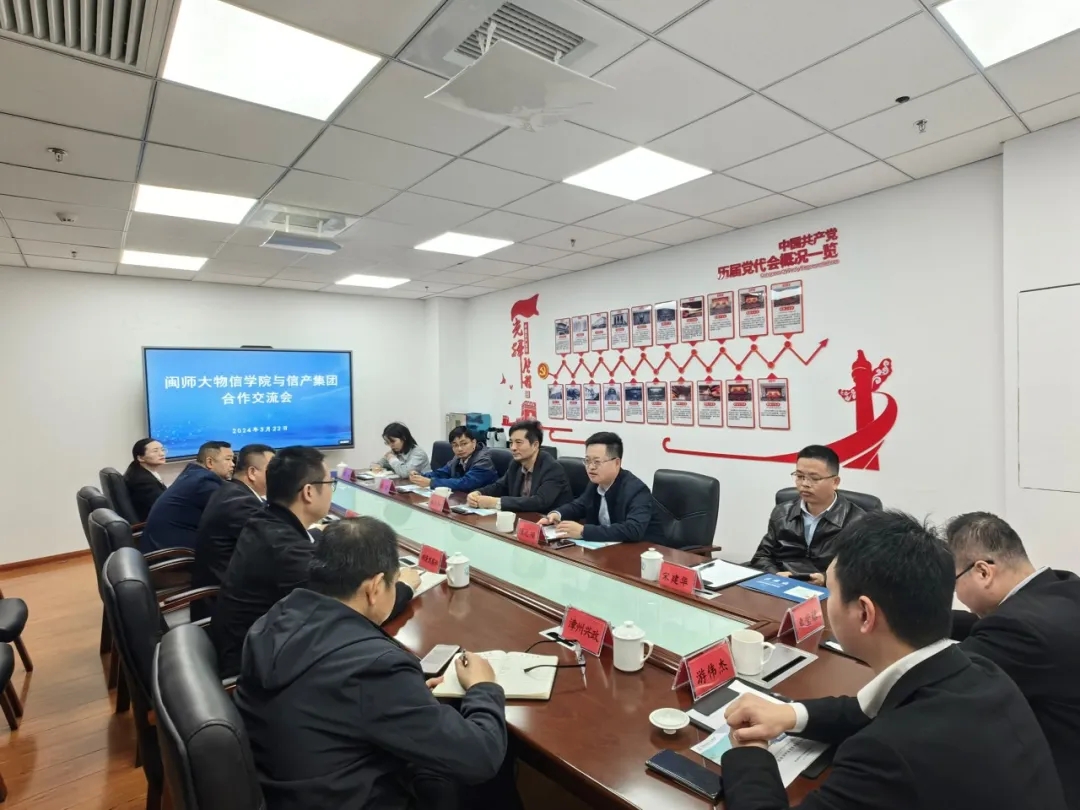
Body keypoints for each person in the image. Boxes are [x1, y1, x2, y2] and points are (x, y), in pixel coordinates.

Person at [719, 511, 1068, 810]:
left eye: (831, 593)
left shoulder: (884, 755)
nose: (825, 604)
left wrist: (752, 755)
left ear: (864, 613)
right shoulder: (981, 672)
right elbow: (871, 708)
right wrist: (790, 714)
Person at [235, 517, 517, 810]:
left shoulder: (273, 621)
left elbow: (332, 700)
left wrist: (409, 695)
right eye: (394, 582)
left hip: (288, 790)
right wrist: (483, 687)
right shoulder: (374, 667)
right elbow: (481, 758)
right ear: (375, 587)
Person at [212, 446, 419, 678]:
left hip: (251, 645)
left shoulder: (264, 520)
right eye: (330, 484)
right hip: (260, 670)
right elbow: (357, 612)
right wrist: (405, 586)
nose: (332, 490)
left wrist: (319, 534)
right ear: (309, 492)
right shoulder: (289, 553)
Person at [946, 512, 1080, 809]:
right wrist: (923, 616)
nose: (956, 593)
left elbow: (937, 679)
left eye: (953, 582)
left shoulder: (1016, 632)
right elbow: (988, 624)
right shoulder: (1065, 586)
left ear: (983, 572)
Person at [748, 445, 867, 585]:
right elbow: (761, 557)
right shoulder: (782, 512)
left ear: (835, 482)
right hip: (781, 585)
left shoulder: (858, 522)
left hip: (828, 591)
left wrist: (826, 579)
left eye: (814, 478)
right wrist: (775, 574)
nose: (804, 484)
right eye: (800, 476)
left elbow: (862, 571)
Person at [190, 444, 275, 621]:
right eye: (274, 469)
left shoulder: (231, 491)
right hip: (230, 606)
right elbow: (275, 546)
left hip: (224, 589)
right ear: (252, 472)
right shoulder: (240, 503)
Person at [538, 432, 666, 543]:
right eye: (587, 461)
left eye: (597, 462)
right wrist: (557, 514)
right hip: (608, 550)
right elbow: (579, 505)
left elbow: (633, 529)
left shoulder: (637, 490)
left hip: (644, 552)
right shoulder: (595, 484)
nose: (591, 467)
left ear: (617, 463)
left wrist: (583, 531)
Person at [141, 441, 234, 552]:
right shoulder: (204, 483)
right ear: (210, 462)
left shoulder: (193, 475)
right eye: (228, 459)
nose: (232, 464)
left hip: (161, 545)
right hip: (174, 552)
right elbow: (232, 514)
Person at [466, 420, 571, 514]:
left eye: (518, 443)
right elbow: (500, 486)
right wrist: (478, 493)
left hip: (550, 523)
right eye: (511, 442)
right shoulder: (516, 464)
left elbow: (539, 501)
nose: (513, 448)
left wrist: (495, 502)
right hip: (522, 518)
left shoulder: (552, 468)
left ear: (535, 445)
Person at [409, 427, 498, 493]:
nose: (459, 449)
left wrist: (431, 483)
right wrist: (420, 476)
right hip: (464, 498)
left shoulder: (483, 461)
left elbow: (465, 483)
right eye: (455, 445)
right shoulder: (458, 458)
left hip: (485, 502)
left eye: (464, 444)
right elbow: (442, 472)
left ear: (474, 442)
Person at [123, 438, 168, 522]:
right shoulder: (143, 481)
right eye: (155, 451)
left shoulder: (136, 469)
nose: (162, 454)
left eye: (162, 450)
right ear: (140, 458)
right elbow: (164, 507)